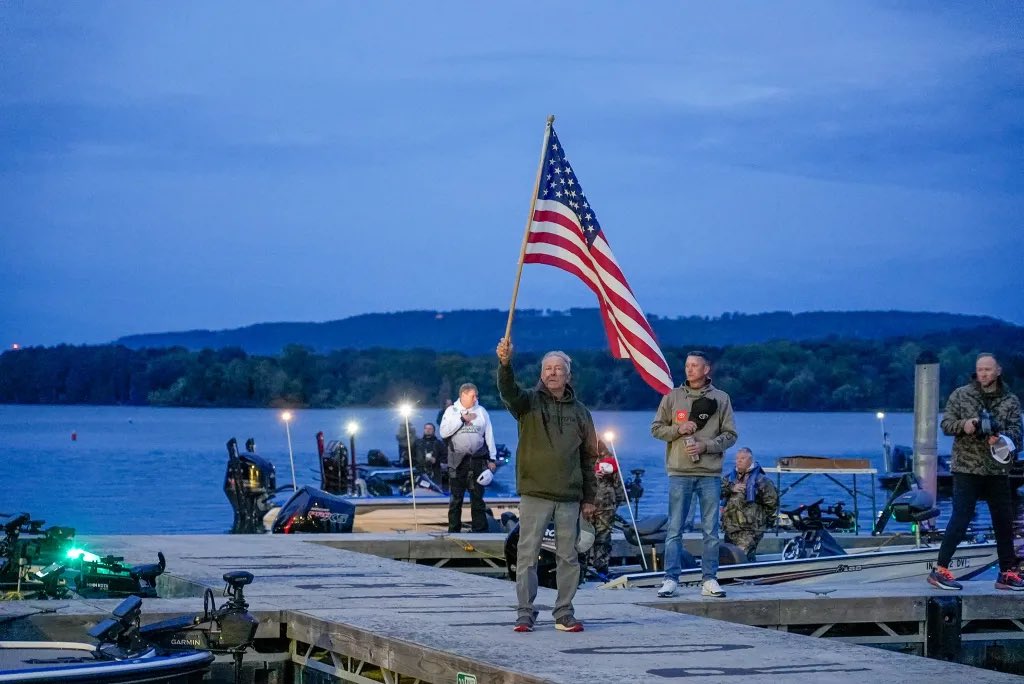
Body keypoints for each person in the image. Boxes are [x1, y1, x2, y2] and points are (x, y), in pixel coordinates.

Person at [496, 338, 597, 633]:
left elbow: (589, 458)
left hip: (569, 496)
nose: (552, 373)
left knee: (569, 556)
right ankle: (525, 612)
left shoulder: (581, 413)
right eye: (548, 369)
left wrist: (589, 498)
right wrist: (504, 364)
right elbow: (507, 391)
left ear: (568, 375)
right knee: (527, 555)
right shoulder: (526, 403)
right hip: (535, 492)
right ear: (541, 374)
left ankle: (564, 612)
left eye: (558, 369)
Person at [928, 353, 1023, 591]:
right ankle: (940, 570)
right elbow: (946, 424)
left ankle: (1007, 573)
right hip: (966, 468)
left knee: (1003, 522)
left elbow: (1018, 434)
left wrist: (1001, 438)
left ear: (998, 371)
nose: (983, 374)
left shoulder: (1010, 401)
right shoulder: (961, 395)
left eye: (988, 370)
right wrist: (965, 425)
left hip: (997, 470)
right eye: (980, 369)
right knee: (960, 518)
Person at [651, 350, 737, 598]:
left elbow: (731, 435)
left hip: (710, 473)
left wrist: (706, 446)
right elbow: (656, 429)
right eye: (687, 365)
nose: (689, 369)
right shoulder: (672, 396)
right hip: (679, 471)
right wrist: (679, 429)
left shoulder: (721, 398)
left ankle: (709, 579)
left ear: (706, 369)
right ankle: (670, 579)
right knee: (674, 529)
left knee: (710, 530)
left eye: (695, 365)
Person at [439, 383, 497, 533]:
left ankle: (480, 531)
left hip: (477, 460)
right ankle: (454, 531)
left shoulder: (482, 411)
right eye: (473, 396)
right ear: (463, 395)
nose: (476, 398)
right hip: (457, 462)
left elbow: (489, 435)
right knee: (456, 499)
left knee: (477, 498)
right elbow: (444, 433)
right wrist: (462, 419)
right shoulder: (451, 411)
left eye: (476, 395)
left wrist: (492, 458)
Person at [721, 447, 778, 562]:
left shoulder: (761, 480)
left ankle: (747, 575)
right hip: (730, 528)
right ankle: (750, 576)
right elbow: (717, 492)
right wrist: (731, 488)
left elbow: (772, 503)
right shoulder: (729, 479)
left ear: (750, 460)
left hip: (751, 529)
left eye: (743, 458)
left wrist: (763, 521)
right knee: (732, 558)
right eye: (737, 458)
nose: (739, 461)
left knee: (739, 557)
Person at [589, 442, 626, 578]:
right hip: (595, 503)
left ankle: (597, 568)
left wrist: (619, 499)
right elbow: (618, 484)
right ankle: (597, 568)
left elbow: (618, 482)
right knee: (597, 537)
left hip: (603, 504)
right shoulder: (609, 459)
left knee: (600, 537)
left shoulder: (610, 460)